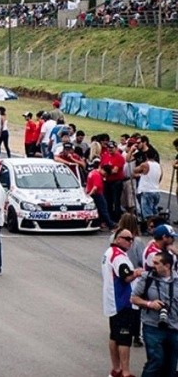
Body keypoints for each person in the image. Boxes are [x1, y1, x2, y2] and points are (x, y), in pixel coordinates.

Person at [103, 229, 145, 377]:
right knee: (124, 338)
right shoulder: (118, 256)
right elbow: (126, 277)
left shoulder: (109, 251)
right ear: (118, 239)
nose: (130, 242)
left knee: (114, 336)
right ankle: (125, 372)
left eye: (131, 239)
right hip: (122, 302)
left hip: (113, 301)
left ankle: (116, 369)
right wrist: (137, 272)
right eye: (127, 239)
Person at [131, 251, 178, 377]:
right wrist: (149, 304)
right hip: (152, 326)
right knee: (156, 361)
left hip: (174, 327)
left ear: (167, 265)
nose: (153, 266)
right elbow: (134, 298)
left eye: (157, 263)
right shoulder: (147, 278)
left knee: (171, 365)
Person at [133, 149, 162, 221]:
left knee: (147, 213)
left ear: (146, 156)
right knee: (153, 210)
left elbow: (135, 170)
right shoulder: (158, 165)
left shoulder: (145, 164)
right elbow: (160, 177)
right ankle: (154, 225)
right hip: (156, 190)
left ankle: (148, 226)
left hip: (146, 190)